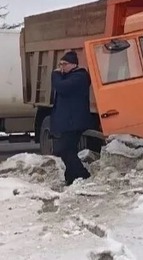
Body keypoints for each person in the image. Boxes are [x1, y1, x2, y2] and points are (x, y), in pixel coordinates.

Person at [51, 51, 93, 186]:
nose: (61, 67)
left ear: (74, 64)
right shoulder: (70, 76)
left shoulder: (79, 77)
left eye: (65, 64)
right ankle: (71, 177)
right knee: (69, 150)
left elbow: (62, 87)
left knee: (64, 149)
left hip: (74, 122)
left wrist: (55, 74)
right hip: (68, 121)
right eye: (60, 64)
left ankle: (82, 174)